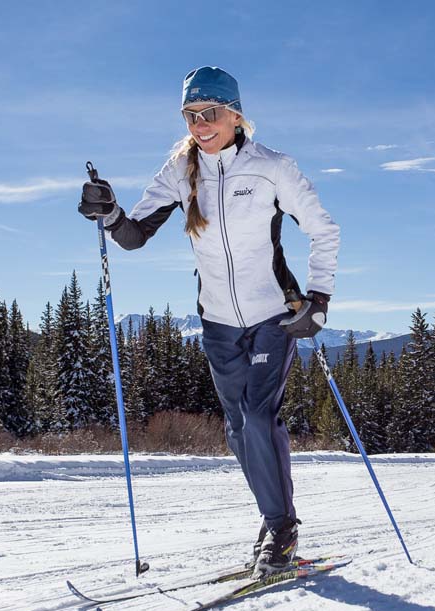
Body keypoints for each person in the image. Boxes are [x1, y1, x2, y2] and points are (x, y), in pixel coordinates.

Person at [78, 66, 340, 577]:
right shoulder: (179, 170)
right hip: (217, 321)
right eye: (190, 115)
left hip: (273, 315)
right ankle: (275, 518)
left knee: (260, 417)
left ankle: (281, 529)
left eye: (211, 113)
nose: (201, 124)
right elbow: (133, 236)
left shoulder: (272, 168)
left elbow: (324, 230)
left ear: (237, 114)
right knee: (239, 428)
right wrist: (108, 214)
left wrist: (319, 298)